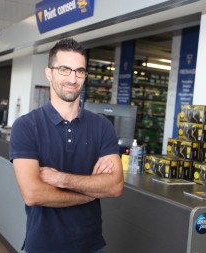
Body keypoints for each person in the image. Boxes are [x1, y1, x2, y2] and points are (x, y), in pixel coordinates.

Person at [9, 38, 124, 253]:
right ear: (49, 73)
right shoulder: (25, 126)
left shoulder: (102, 126)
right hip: (43, 245)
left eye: (80, 71)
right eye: (64, 69)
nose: (73, 78)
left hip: (91, 246)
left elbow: (115, 186)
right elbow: (34, 194)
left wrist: (60, 179)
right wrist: (90, 193)